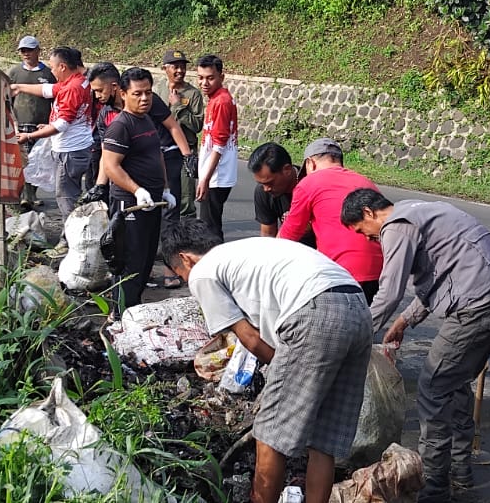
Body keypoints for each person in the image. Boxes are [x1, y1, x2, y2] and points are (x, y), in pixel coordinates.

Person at [160, 220, 371, 503]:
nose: (187, 282)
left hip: (314, 311)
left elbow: (249, 338)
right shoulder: (245, 251)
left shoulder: (202, 272)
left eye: (181, 275)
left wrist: (282, 367)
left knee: (269, 433)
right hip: (357, 306)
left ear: (185, 258)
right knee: (323, 438)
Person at [340, 189, 490, 502]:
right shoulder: (417, 211)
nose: (369, 240)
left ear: (369, 213)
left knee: (433, 389)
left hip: (477, 308)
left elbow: (388, 293)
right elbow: (438, 276)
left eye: (363, 232)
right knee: (454, 384)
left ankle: (434, 489)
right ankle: (460, 472)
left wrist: (355, 335)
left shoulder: (395, 226)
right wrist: (403, 322)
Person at [98, 67, 176, 309]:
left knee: (145, 260)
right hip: (129, 207)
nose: (144, 99)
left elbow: (157, 155)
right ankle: (119, 316)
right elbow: (111, 166)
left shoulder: (147, 120)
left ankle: (134, 311)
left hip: (152, 203)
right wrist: (136, 190)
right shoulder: (121, 125)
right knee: (129, 263)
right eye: (137, 94)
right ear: (122, 93)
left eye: (149, 93)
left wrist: (164, 188)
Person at [279, 138, 384, 301]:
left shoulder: (309, 183)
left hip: (342, 273)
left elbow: (288, 236)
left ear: (310, 163)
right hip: (378, 271)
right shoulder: (366, 182)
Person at [11, 46, 91, 220]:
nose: (52, 71)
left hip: (70, 150)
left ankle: (69, 239)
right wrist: (19, 87)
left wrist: (30, 136)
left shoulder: (72, 88)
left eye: (53, 67)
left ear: (62, 66)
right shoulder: (75, 81)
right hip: (75, 147)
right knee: (69, 193)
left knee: (65, 196)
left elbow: (62, 124)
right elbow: (49, 90)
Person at [6, 36, 58, 210]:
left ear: (38, 51)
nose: (26, 54)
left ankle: (32, 194)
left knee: (39, 160)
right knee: (23, 161)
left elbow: (56, 98)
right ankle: (24, 195)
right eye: (23, 51)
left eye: (29, 50)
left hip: (42, 125)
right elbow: (6, 98)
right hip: (20, 123)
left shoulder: (48, 74)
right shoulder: (14, 73)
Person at [154, 49, 204, 220]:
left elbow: (197, 125)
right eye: (175, 67)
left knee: (185, 200)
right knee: (162, 196)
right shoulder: (158, 89)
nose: (180, 71)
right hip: (161, 152)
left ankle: (186, 240)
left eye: (182, 67)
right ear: (164, 68)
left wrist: (178, 107)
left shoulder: (193, 94)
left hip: (185, 153)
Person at [195, 54, 238, 236]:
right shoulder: (216, 98)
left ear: (221, 76)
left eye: (210, 78)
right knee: (210, 225)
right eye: (201, 78)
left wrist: (204, 179)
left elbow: (219, 144)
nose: (204, 83)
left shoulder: (221, 102)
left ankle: (214, 262)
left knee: (210, 229)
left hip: (216, 176)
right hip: (214, 174)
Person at [248, 142, 316, 247]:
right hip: (289, 252)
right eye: (262, 183)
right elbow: (268, 235)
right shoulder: (263, 191)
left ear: (287, 170)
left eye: (270, 182)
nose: (266, 189)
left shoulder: (312, 186)